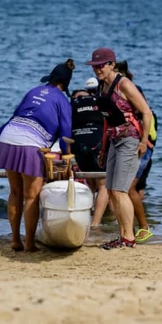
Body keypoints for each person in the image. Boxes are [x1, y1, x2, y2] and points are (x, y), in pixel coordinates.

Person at [0, 60, 74, 253]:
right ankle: (30, 244)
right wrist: (67, 158)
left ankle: (15, 240)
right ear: (64, 84)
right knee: (31, 196)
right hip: (30, 144)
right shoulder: (63, 101)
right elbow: (65, 134)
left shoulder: (33, 91)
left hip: (8, 138)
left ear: (51, 79)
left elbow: (12, 118)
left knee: (15, 192)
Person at [87, 48, 152, 249]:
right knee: (111, 190)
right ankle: (123, 236)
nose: (97, 69)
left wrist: (143, 142)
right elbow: (107, 121)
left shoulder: (124, 84)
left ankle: (128, 238)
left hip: (130, 140)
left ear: (112, 65)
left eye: (101, 65)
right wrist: (103, 149)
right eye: (94, 66)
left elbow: (146, 112)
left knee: (121, 190)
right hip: (114, 141)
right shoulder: (102, 88)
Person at [115, 60, 156, 242]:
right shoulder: (113, 89)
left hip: (143, 145)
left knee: (128, 188)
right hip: (135, 144)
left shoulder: (130, 88)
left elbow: (144, 116)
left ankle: (144, 227)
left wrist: (143, 142)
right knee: (135, 188)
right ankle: (129, 229)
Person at [71, 88, 109, 227]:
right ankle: (95, 223)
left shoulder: (73, 105)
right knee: (103, 184)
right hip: (96, 144)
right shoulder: (98, 102)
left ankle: (85, 216)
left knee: (90, 182)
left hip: (78, 145)